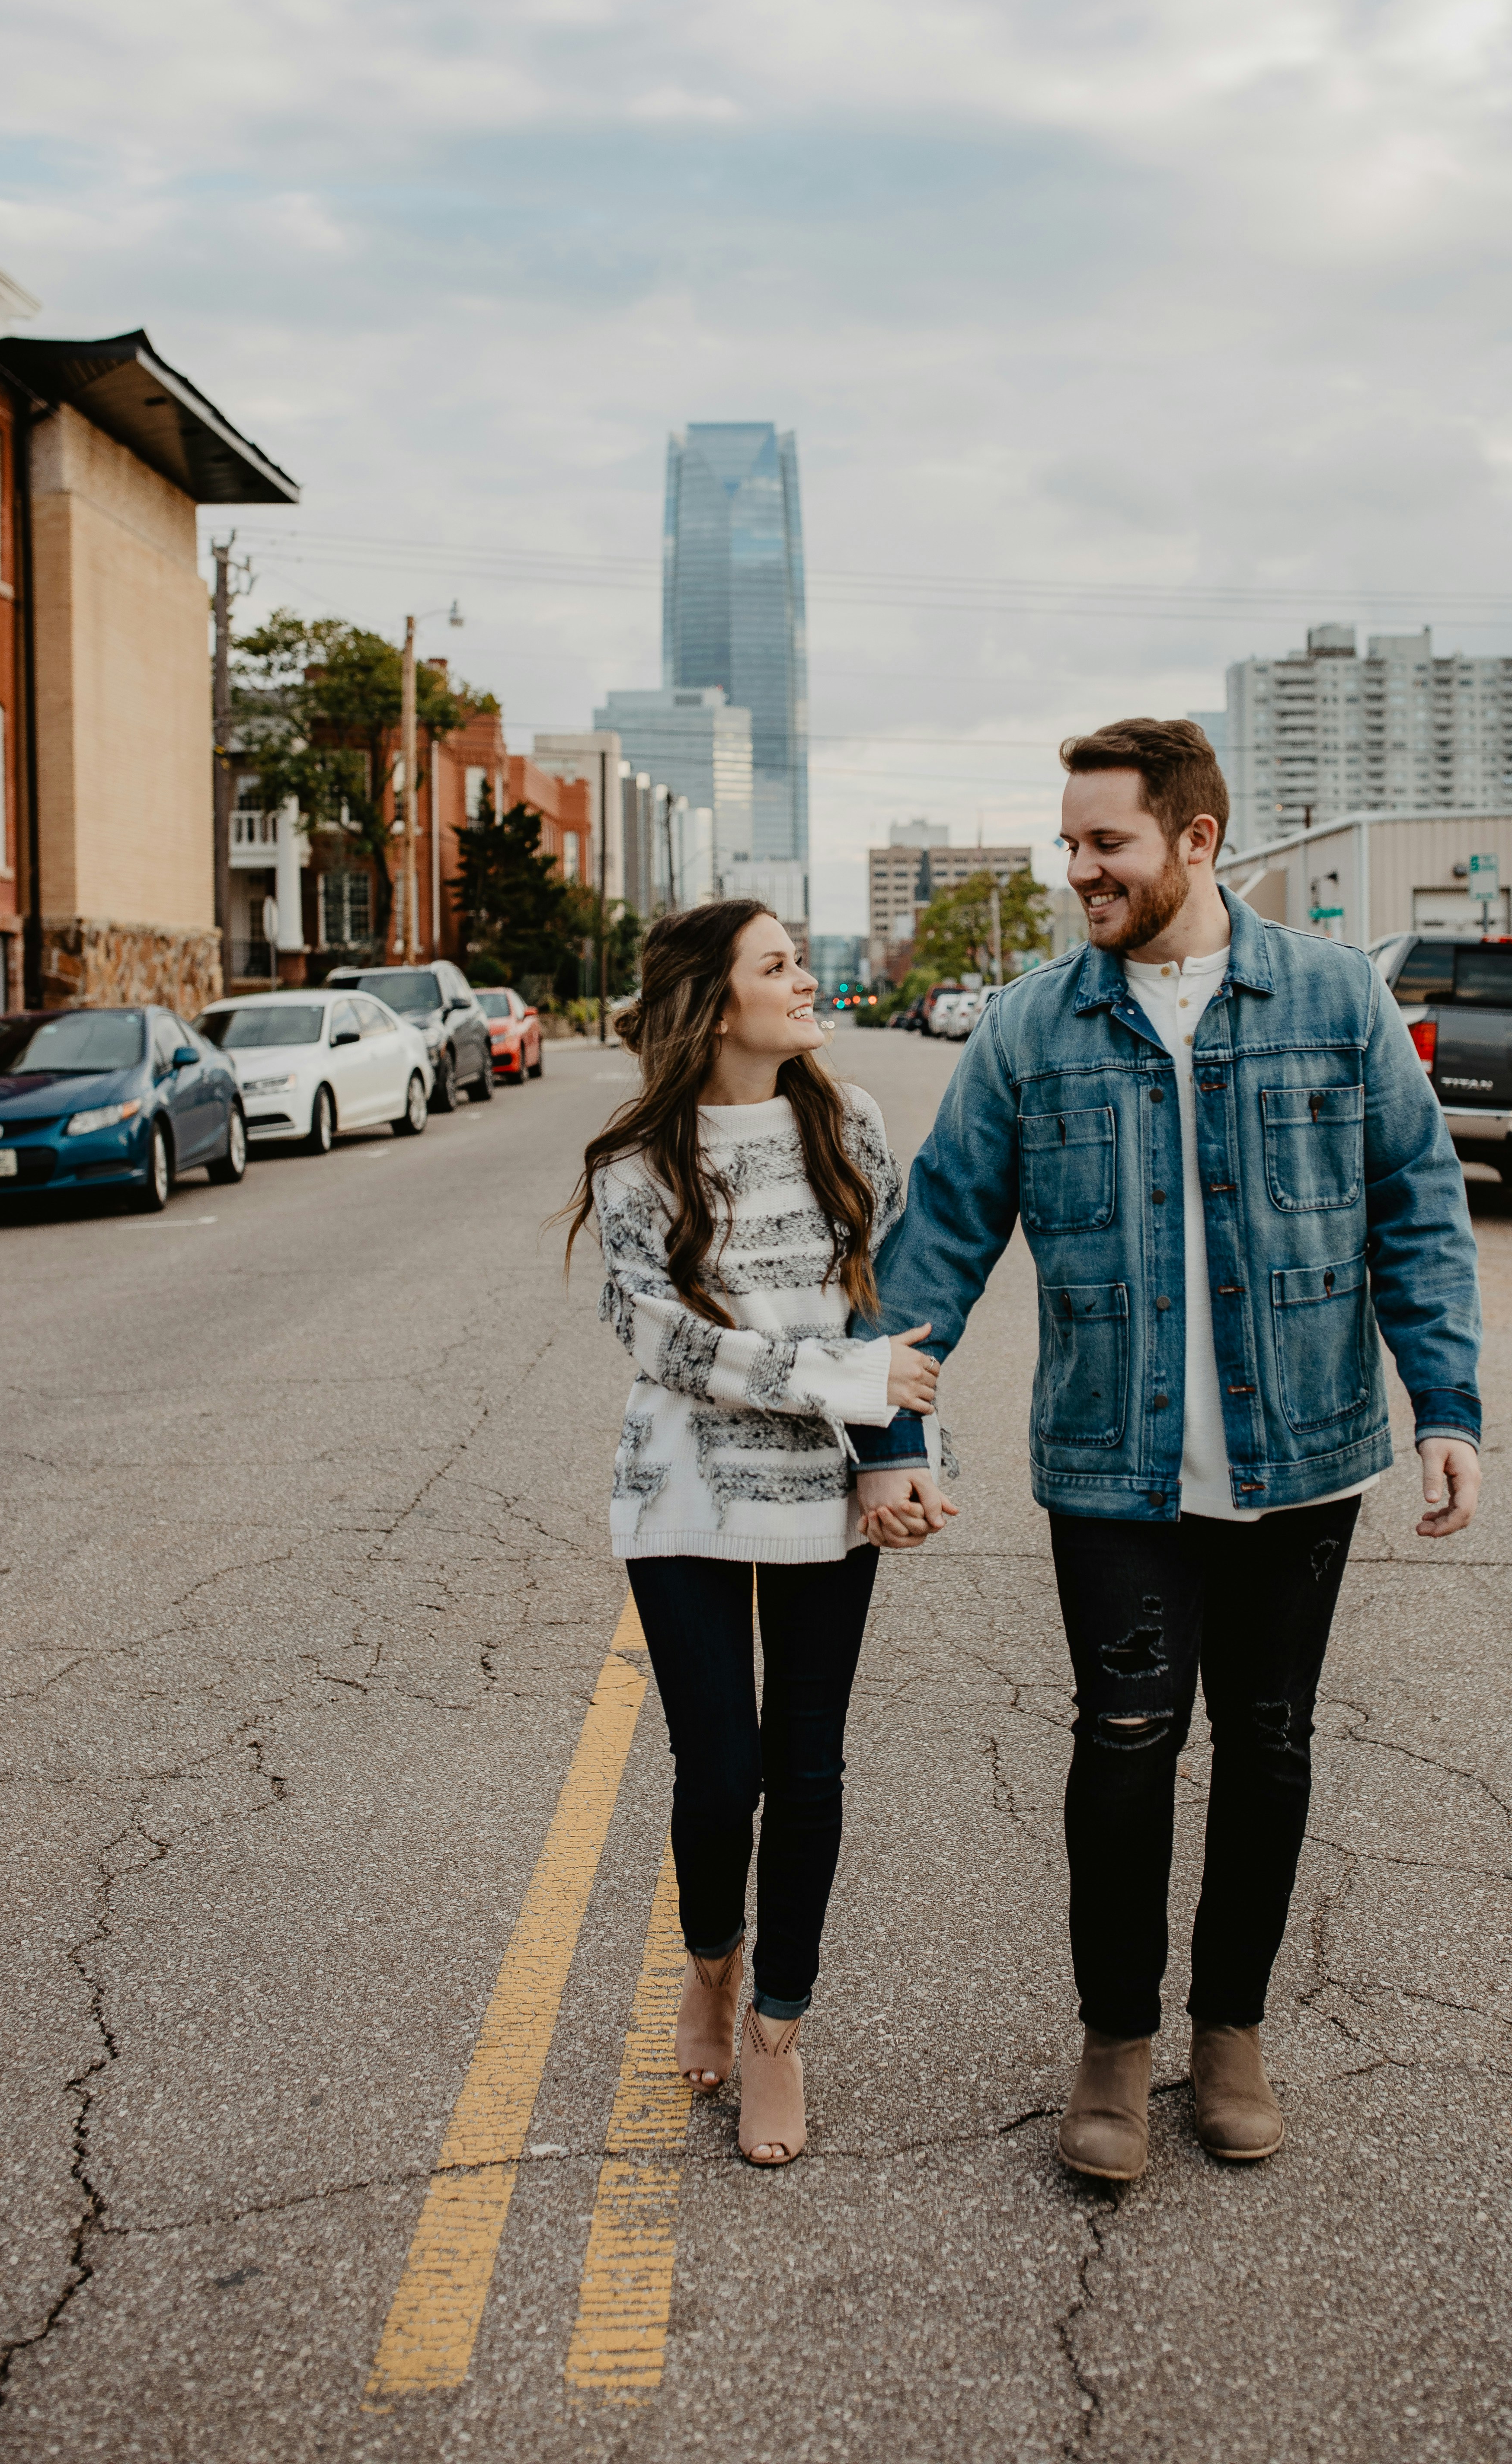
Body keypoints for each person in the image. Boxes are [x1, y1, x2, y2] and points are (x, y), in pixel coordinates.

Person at [848, 718, 1481, 2181]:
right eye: (1069, 844)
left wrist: (1445, 1410)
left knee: (1268, 1745)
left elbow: (1417, 1208)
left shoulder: (1332, 1001)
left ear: (1197, 841)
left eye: (1105, 844)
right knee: (1124, 1747)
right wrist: (892, 1426)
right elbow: (938, 1239)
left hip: (1308, 1456)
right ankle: (1117, 2046)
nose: (1080, 870)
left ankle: (1235, 2034)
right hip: (1112, 1471)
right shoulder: (1028, 1027)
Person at [563, 899, 951, 2169]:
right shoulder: (637, 1167)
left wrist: (904, 1463)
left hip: (826, 1502)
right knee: (719, 1774)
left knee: (811, 1768)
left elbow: (894, 1311)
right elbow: (664, 1343)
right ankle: (710, 1967)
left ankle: (779, 2033)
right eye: (778, 965)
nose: (805, 978)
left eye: (799, 959)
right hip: (679, 1495)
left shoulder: (850, 1128)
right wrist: (844, 1385)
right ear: (716, 1004)